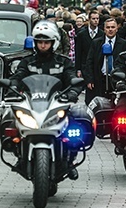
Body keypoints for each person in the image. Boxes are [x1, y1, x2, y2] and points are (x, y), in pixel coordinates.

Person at [8, 20, 86, 179]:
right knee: (9, 120)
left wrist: (72, 92)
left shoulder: (64, 62)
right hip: (32, 103)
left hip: (57, 103)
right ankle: (19, 155)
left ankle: (70, 160)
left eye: (46, 42)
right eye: (40, 42)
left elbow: (72, 79)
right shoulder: (27, 62)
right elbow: (17, 77)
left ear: (54, 43)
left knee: (75, 125)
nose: (43, 45)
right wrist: (12, 88)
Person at [83, 18, 126, 98]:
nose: (110, 30)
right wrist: (89, 79)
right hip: (100, 78)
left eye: (113, 27)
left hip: (116, 79)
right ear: (104, 29)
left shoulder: (123, 44)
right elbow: (90, 61)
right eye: (108, 27)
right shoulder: (96, 43)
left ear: (117, 29)